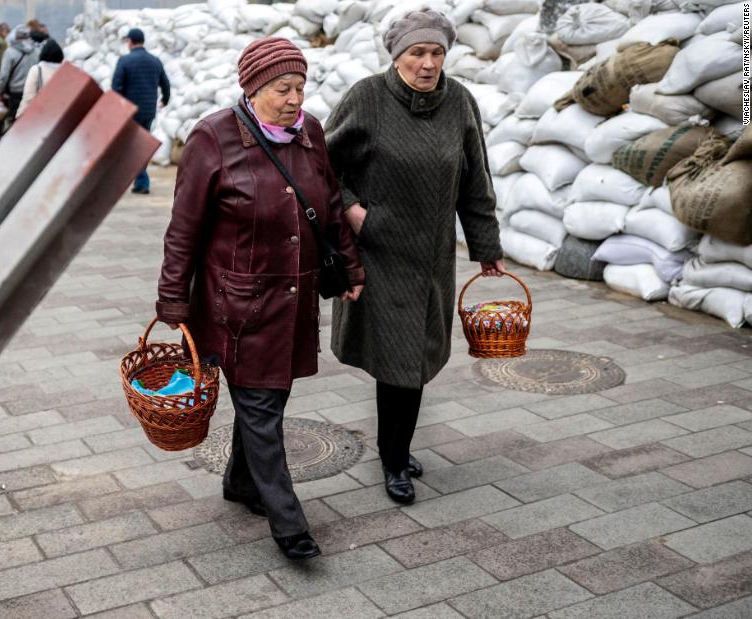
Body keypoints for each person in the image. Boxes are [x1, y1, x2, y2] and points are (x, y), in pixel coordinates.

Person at [156, 37, 364, 561]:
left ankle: (241, 483)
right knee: (262, 406)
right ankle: (288, 523)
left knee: (270, 397)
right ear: (252, 88)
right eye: (282, 89)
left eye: (300, 86)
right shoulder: (213, 137)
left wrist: (351, 267)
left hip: (295, 297)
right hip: (240, 307)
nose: (295, 99)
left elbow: (332, 206)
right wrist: (172, 303)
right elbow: (183, 230)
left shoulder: (311, 132)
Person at [325, 8, 505, 505]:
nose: (428, 63)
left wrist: (486, 246)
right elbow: (320, 165)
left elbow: (475, 179)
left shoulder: (460, 102)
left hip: (431, 258)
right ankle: (394, 458)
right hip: (379, 254)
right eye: (416, 53)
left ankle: (396, 447)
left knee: (417, 358)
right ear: (397, 56)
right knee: (398, 360)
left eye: (436, 53)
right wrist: (354, 211)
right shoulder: (367, 98)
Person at [112, 28, 170, 195]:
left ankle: (141, 181)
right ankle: (139, 181)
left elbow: (116, 87)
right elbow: (165, 84)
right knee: (139, 145)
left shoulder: (124, 61)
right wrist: (165, 100)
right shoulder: (155, 61)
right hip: (149, 111)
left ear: (130, 41)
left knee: (132, 147)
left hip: (130, 111)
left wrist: (118, 107)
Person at [0, 26, 40, 125]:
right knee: (30, 121)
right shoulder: (36, 51)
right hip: (33, 90)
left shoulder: (10, 52)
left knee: (15, 120)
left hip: (15, 92)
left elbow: (3, 76)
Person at [16, 39, 63, 117]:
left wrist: (22, 114)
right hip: (57, 113)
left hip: (39, 114)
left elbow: (29, 96)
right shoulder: (64, 70)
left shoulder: (37, 69)